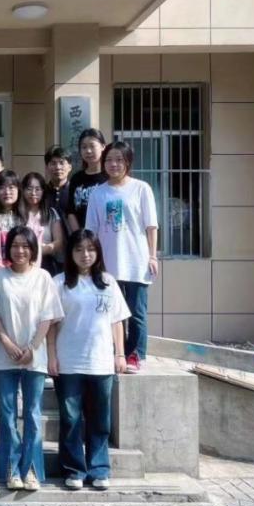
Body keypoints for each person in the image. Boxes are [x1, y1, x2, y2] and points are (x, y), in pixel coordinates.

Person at [0, 226, 64, 492]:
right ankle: (11, 467)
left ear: (33, 249)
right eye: (15, 245)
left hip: (35, 356)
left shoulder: (43, 277)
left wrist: (33, 347)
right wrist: (8, 343)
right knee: (8, 415)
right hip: (3, 356)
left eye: (25, 246)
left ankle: (30, 467)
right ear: (8, 248)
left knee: (32, 413)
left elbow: (47, 317)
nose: (20, 250)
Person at [53, 229, 130, 490]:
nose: (85, 254)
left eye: (90, 249)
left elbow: (117, 321)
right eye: (79, 249)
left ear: (97, 252)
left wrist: (120, 354)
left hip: (101, 362)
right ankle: (74, 470)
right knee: (70, 419)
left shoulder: (108, 282)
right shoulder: (59, 283)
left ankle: (99, 469)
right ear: (70, 253)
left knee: (100, 420)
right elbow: (51, 324)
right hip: (69, 361)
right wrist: (51, 357)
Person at [85, 141, 159, 373]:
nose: (113, 164)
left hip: (136, 261)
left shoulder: (141, 188)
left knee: (136, 313)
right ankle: (112, 354)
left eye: (119, 159)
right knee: (109, 312)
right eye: (109, 160)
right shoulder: (98, 193)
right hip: (108, 263)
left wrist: (152, 256)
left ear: (128, 162)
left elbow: (151, 226)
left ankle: (135, 355)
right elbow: (91, 230)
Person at [0, 170, 30, 276]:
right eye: (1, 188)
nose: (7, 192)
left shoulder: (27, 218)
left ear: (19, 190)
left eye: (11, 187)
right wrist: (4, 273)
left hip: (24, 276)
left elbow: (34, 249)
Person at [22, 171, 65, 279]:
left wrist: (38, 252)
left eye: (37, 189)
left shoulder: (51, 213)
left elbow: (58, 242)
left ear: (43, 191)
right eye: (29, 188)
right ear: (23, 190)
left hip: (46, 263)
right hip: (21, 261)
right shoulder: (17, 214)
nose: (33, 193)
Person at [66, 128, 108, 233]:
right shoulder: (76, 178)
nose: (88, 151)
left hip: (106, 236)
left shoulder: (109, 177)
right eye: (84, 147)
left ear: (103, 146)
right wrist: (80, 237)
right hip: (83, 237)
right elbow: (71, 212)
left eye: (92, 146)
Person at [43, 145, 73, 222]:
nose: (58, 167)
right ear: (46, 167)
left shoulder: (75, 191)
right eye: (53, 163)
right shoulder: (42, 192)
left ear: (70, 167)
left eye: (62, 163)